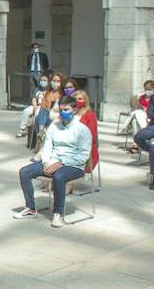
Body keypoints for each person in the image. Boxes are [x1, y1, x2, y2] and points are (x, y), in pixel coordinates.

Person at [15, 96, 92, 228]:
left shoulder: (83, 130)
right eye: (60, 110)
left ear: (74, 110)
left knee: (59, 176)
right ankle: (30, 208)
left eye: (66, 110)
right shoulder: (54, 127)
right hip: (52, 161)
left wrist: (62, 162)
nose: (63, 113)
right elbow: (47, 147)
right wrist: (46, 162)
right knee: (25, 172)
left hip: (74, 165)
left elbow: (83, 156)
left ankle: (58, 213)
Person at [71, 89, 100, 175]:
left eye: (80, 99)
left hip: (83, 147)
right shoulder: (68, 112)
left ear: (85, 101)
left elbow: (92, 135)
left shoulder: (90, 115)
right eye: (75, 99)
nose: (77, 101)